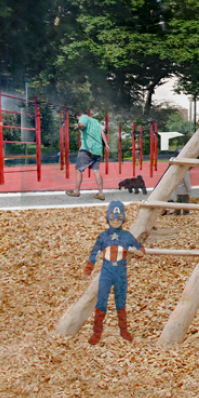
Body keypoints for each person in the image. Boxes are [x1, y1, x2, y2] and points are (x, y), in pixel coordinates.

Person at [82, 200, 146, 344]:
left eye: (118, 218)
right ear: (108, 218)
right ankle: (97, 333)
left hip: (121, 272)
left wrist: (138, 252)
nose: (115, 221)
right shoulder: (103, 236)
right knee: (101, 301)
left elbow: (140, 249)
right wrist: (88, 269)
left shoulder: (127, 236)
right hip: (106, 271)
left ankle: (124, 331)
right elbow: (94, 253)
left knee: (121, 301)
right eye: (112, 217)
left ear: (123, 219)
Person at [67, 108, 106, 200]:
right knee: (96, 171)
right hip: (97, 149)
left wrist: (78, 126)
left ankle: (76, 191)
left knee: (78, 169)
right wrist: (106, 144)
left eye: (77, 118)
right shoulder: (95, 121)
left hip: (87, 149)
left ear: (77, 116)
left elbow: (82, 125)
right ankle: (100, 193)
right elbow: (101, 132)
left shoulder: (83, 118)